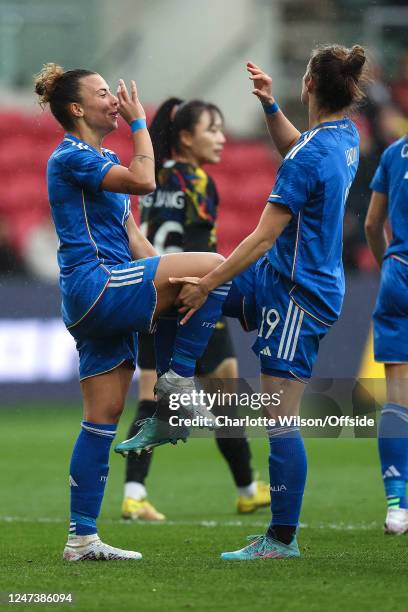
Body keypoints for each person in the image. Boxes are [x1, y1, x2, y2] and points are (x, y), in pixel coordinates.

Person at [163, 44, 365, 559]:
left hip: (300, 293)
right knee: (205, 266)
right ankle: (179, 383)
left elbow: (261, 238)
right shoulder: (342, 138)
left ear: (311, 85)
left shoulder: (312, 154)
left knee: (280, 418)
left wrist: (210, 286)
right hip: (284, 279)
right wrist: (271, 107)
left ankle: (281, 539)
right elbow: (299, 149)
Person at [34, 63, 231, 561]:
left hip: (102, 294)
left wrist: (179, 283)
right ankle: (176, 395)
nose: (115, 99)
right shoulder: (72, 155)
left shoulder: (100, 157)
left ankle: (81, 538)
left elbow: (136, 240)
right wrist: (142, 121)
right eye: (103, 93)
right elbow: (146, 180)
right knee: (216, 264)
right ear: (77, 108)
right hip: (97, 286)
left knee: (101, 417)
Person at [121, 97, 269, 521]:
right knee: (225, 399)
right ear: (186, 137)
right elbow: (199, 249)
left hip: (154, 296)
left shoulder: (153, 181)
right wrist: (209, 287)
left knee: (152, 396)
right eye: (213, 129)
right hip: (193, 298)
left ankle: (134, 493)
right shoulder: (199, 182)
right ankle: (246, 489)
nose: (222, 139)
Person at [365, 132, 408, 535]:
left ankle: (397, 505)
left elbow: (372, 223)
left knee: (398, 399)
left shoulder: (395, 151)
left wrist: (389, 266)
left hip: (398, 273)